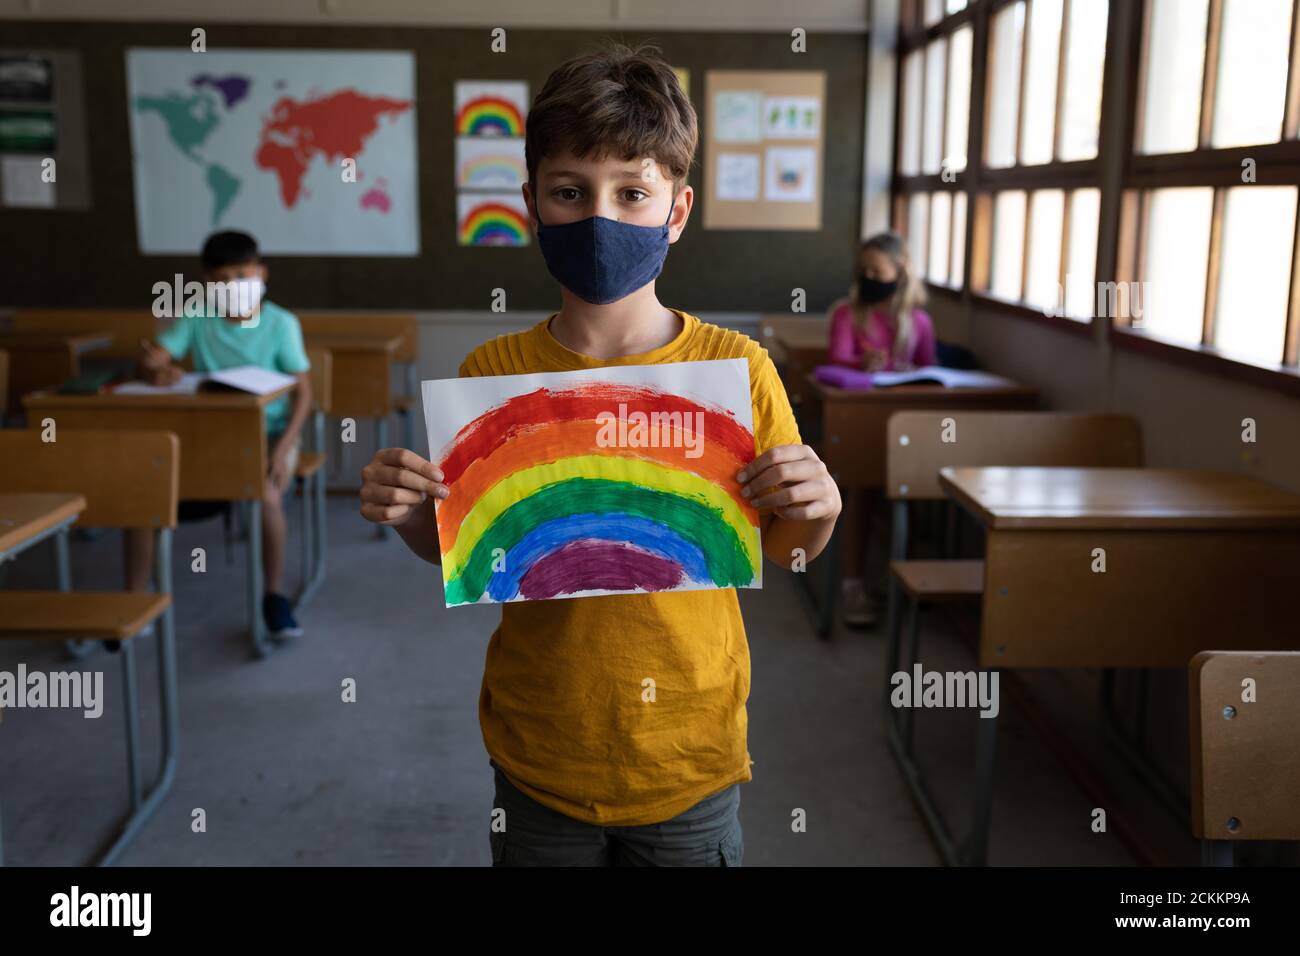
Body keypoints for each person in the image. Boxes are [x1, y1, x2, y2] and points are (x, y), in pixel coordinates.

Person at [358, 45, 841, 866]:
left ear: (677, 212)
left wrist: (818, 511)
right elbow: (472, 549)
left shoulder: (736, 368)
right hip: (539, 744)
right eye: (569, 192)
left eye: (633, 193)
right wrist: (411, 518)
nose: (600, 217)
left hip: (688, 751)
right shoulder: (491, 376)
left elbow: (781, 548)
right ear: (532, 205)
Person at [134, 229, 312, 639]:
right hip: (210, 434)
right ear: (206, 283)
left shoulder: (281, 323)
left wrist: (284, 450)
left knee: (267, 495)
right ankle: (136, 598)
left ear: (261, 272)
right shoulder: (197, 314)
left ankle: (273, 596)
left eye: (240, 274)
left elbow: (304, 394)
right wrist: (157, 370)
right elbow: (151, 360)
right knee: (145, 493)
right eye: (220, 279)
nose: (231, 286)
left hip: (271, 433)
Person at [827, 232, 936, 627]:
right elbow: (837, 357)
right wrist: (863, 363)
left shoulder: (918, 321)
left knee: (909, 495)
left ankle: (904, 579)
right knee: (863, 490)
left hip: (909, 423)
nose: (870, 276)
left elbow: (930, 368)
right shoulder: (848, 313)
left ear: (900, 273)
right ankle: (852, 582)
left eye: (879, 270)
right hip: (864, 422)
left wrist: (913, 371)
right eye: (865, 270)